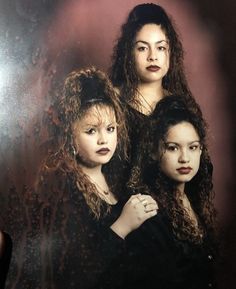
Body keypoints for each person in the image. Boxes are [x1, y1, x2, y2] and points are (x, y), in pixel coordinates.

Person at [5, 67, 157, 289]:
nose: (104, 139)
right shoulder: (64, 190)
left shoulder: (119, 180)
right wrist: (123, 226)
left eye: (110, 128)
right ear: (70, 136)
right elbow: (76, 274)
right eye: (91, 131)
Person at [125, 95, 218, 289]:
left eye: (192, 147)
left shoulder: (193, 200)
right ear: (153, 151)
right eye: (173, 148)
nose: (185, 158)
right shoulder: (149, 212)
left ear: (201, 150)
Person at [109, 3, 203, 186]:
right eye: (143, 48)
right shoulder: (111, 101)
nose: (153, 56)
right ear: (129, 53)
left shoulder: (180, 106)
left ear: (171, 53)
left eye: (160, 48)